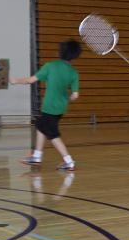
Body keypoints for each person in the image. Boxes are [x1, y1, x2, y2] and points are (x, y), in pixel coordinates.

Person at [11, 39, 82, 171]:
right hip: (60, 108)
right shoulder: (73, 72)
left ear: (61, 51)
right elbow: (75, 95)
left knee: (52, 134)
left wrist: (16, 81)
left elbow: (31, 80)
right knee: (41, 126)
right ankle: (37, 156)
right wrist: (68, 96)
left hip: (49, 107)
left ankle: (69, 161)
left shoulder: (50, 66)